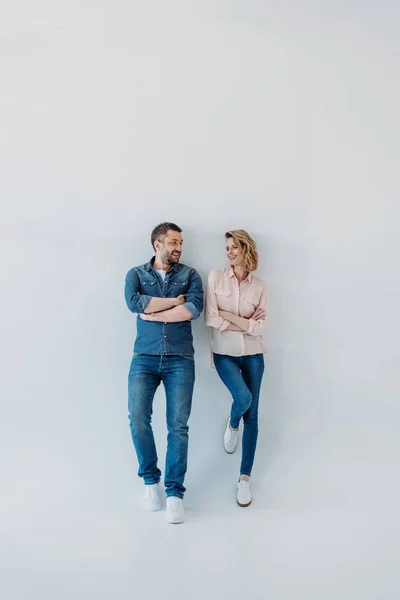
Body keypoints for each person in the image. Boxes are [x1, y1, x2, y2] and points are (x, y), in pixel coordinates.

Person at [124, 222, 204, 524]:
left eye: (180, 242)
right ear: (157, 244)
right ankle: (149, 481)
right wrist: (172, 301)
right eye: (173, 242)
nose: (178, 247)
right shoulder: (136, 275)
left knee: (178, 426)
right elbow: (134, 303)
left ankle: (174, 493)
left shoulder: (190, 275)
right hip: (144, 358)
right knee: (138, 419)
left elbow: (192, 309)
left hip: (180, 359)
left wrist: (154, 312)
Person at [205, 229, 267, 507]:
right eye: (227, 247)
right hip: (224, 354)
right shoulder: (215, 277)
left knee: (252, 416)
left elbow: (260, 326)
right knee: (243, 399)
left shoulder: (260, 286)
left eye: (234, 247)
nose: (229, 252)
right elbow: (211, 318)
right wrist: (243, 321)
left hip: (254, 354)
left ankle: (244, 480)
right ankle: (232, 424)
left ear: (245, 249)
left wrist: (229, 317)